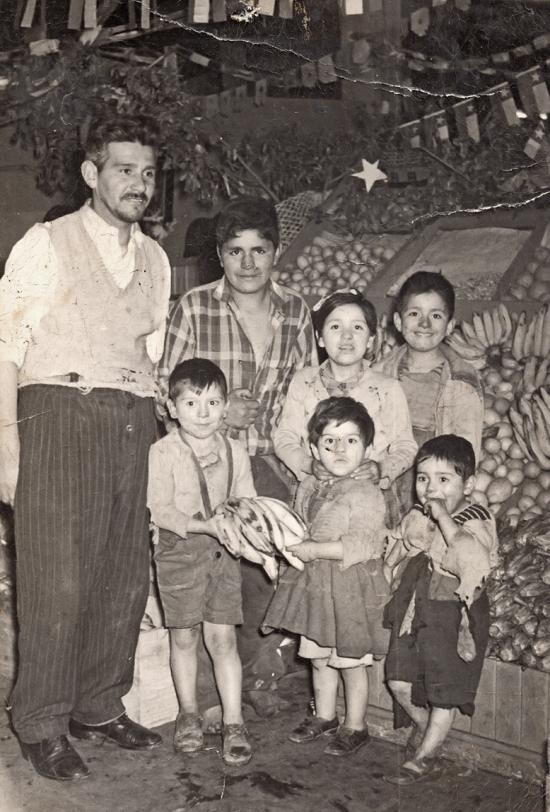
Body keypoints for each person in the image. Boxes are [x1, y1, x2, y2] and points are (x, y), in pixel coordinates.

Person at [0, 115, 171, 781]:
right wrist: (6, 447)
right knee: (56, 577)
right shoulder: (45, 243)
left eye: (149, 172)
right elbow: (6, 349)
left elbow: (150, 358)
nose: (139, 183)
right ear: (91, 173)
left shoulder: (156, 259)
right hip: (57, 413)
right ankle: (40, 720)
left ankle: (98, 704)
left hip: (132, 417)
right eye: (124, 168)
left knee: (123, 575)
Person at [158, 196, 317, 717]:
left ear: (276, 253)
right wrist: (221, 419)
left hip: (270, 464)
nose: (248, 264)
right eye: (235, 252)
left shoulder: (295, 311)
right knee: (204, 578)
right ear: (219, 256)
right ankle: (204, 701)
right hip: (208, 462)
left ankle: (252, 683)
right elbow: (168, 392)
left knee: (265, 581)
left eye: (260, 250)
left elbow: (309, 391)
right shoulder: (195, 307)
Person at [263, 397, 390, 757]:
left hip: (349, 586)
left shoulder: (366, 492)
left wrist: (315, 550)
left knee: (349, 660)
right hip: (317, 586)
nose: (339, 449)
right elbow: (298, 525)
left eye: (351, 440)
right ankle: (326, 715)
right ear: (314, 449)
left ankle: (356, 725)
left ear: (367, 448)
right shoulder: (309, 486)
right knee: (318, 656)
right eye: (329, 441)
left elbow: (365, 543)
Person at [148, 359, 255, 766]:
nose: (204, 413)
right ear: (172, 408)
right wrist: (206, 525)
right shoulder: (163, 452)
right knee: (184, 638)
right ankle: (189, 713)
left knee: (224, 639)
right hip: (179, 553)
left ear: (226, 406)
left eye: (213, 402)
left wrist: (244, 526)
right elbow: (160, 510)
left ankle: (234, 721)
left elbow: (246, 500)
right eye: (192, 403)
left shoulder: (236, 451)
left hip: (223, 552)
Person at [383, 435, 499, 785]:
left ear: (470, 484)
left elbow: (468, 556)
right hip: (418, 609)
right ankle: (425, 728)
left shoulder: (477, 518)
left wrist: (444, 515)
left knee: (444, 692)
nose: (430, 488)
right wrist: (389, 566)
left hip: (455, 614)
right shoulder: (420, 513)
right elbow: (404, 541)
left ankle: (424, 758)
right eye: (423, 478)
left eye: (444, 479)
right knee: (398, 680)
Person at [273, 289, 417, 520]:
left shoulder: (387, 388)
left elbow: (406, 446)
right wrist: (308, 464)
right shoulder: (304, 381)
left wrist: (381, 469)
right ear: (320, 338)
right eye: (335, 327)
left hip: (367, 501)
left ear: (371, 339)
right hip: (314, 497)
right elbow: (284, 438)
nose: (347, 336)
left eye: (357, 327)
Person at [375, 271, 484, 513]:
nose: (424, 324)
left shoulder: (463, 381)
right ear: (399, 321)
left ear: (450, 326)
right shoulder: (379, 373)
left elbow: (466, 455)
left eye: (435, 315)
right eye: (414, 314)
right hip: (386, 484)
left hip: (436, 491)